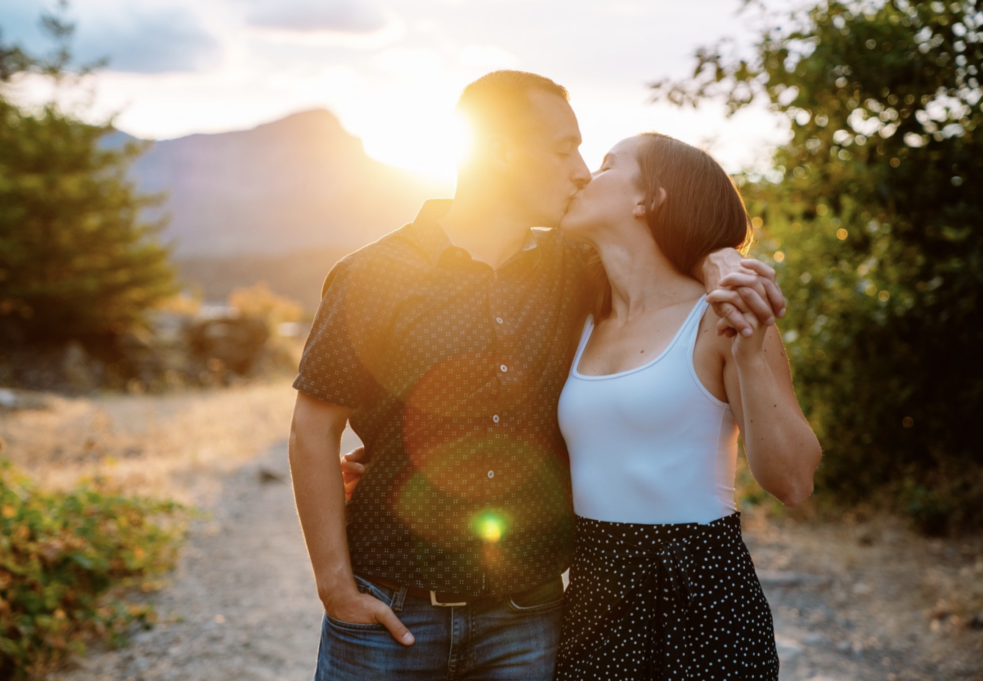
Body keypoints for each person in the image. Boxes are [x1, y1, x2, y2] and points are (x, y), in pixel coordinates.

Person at [288, 70, 785, 681]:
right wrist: (336, 588)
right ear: (499, 151)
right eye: (563, 149)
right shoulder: (372, 274)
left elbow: (660, 248)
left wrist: (720, 260)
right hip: (390, 606)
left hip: (527, 615)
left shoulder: (574, 266)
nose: (579, 169)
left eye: (588, 155)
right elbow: (312, 431)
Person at [552, 132, 822, 679]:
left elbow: (792, 483)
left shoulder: (724, 316)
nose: (583, 175)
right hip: (594, 593)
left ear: (648, 199)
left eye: (606, 164)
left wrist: (749, 355)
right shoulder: (575, 317)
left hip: (702, 591)